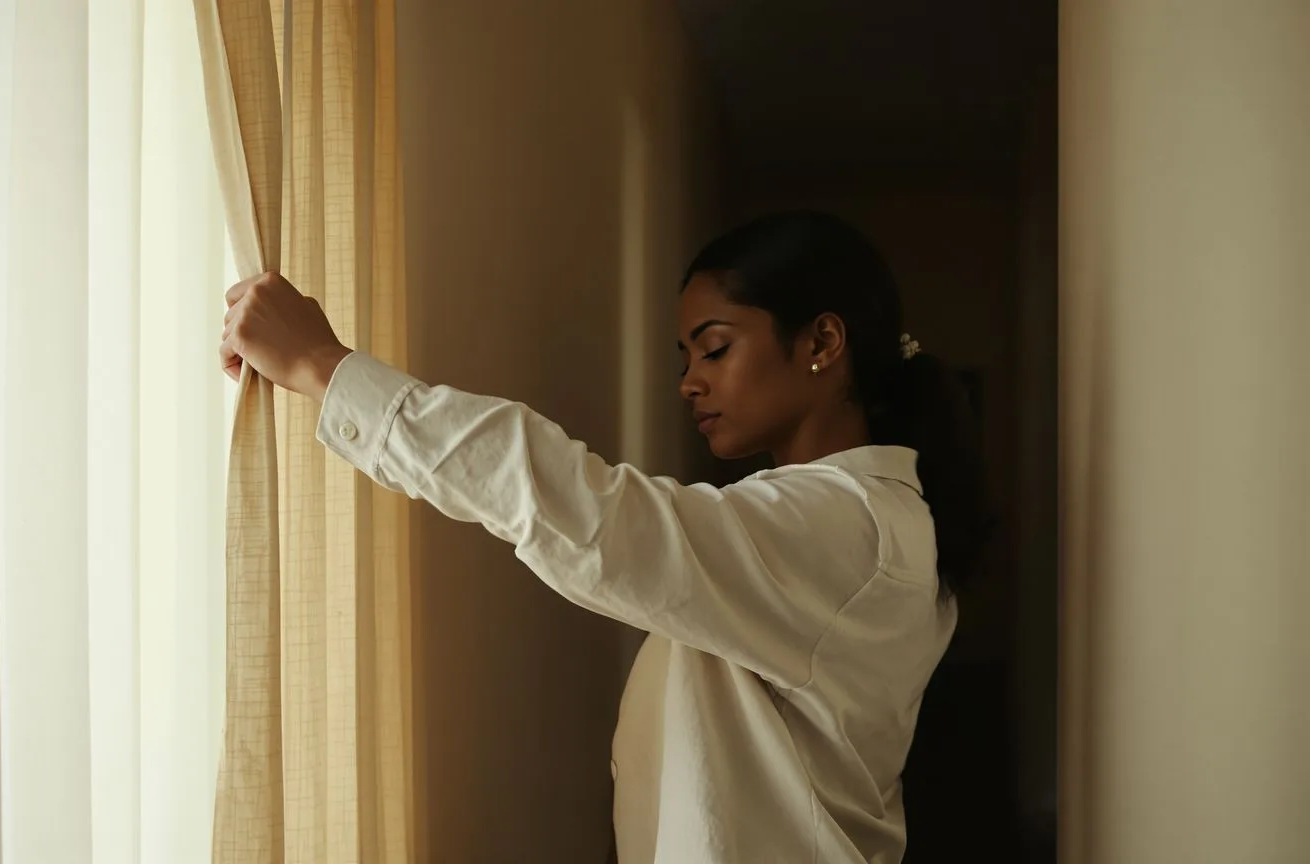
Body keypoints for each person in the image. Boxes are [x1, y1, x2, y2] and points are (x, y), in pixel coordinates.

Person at [219, 210, 992, 864]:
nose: (690, 380)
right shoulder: (847, 516)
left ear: (822, 342)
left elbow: (593, 519)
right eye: (686, 356)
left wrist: (327, 367)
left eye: (716, 347)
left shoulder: (847, 525)